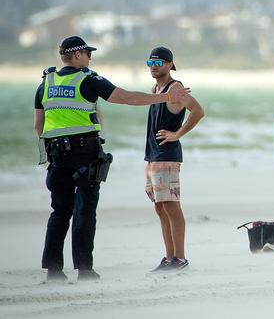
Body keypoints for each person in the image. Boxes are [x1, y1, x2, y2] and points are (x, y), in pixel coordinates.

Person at [34, 36, 189, 282]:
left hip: (56, 157)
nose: (89, 58)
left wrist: (51, 153)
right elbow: (126, 98)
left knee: (59, 212)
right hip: (84, 155)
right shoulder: (88, 79)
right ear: (77, 56)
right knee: (85, 211)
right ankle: (84, 270)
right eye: (87, 54)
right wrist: (166, 97)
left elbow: (38, 125)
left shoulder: (46, 82)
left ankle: (54, 270)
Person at [144, 47, 204, 273]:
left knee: (171, 206)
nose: (154, 66)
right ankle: (169, 258)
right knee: (160, 207)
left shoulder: (175, 88)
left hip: (167, 156)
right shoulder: (156, 89)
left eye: (159, 62)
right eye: (150, 62)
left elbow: (198, 111)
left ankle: (180, 258)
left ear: (170, 64)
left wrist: (177, 134)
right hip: (153, 155)